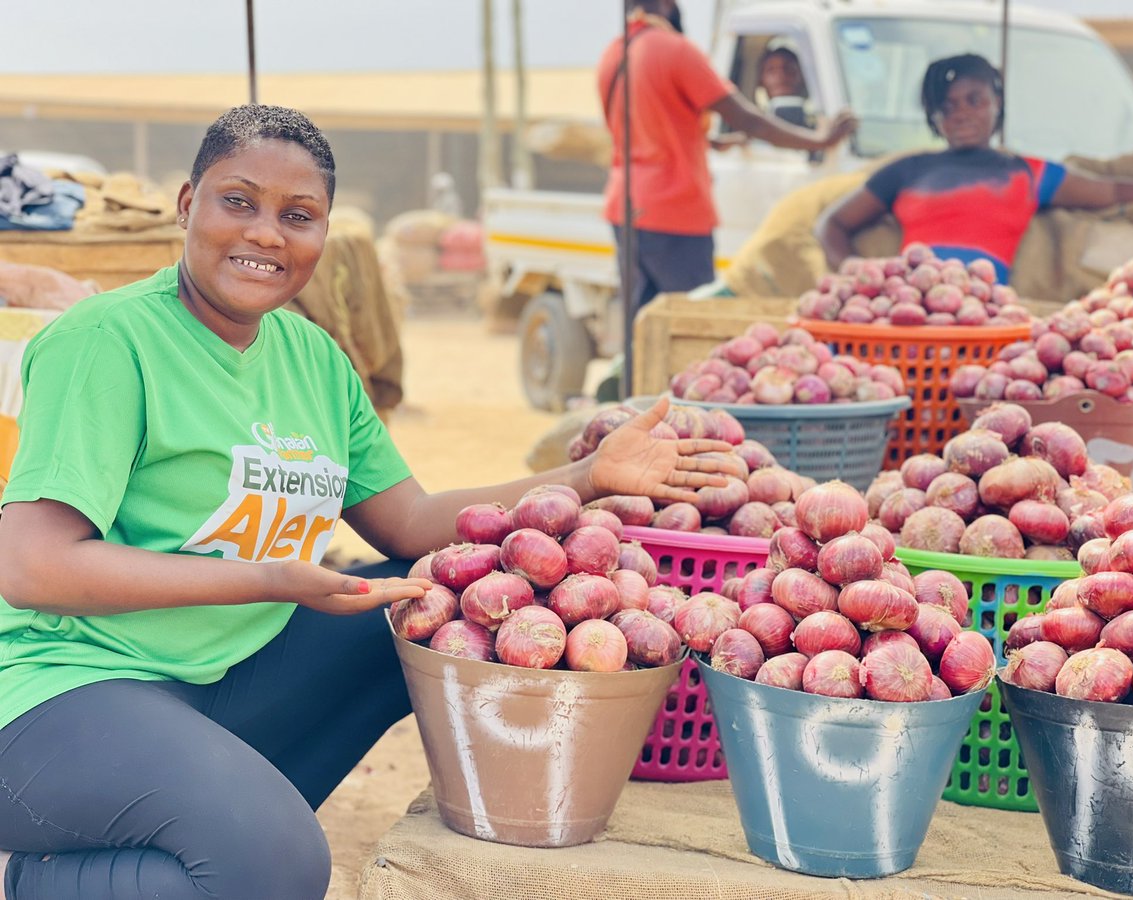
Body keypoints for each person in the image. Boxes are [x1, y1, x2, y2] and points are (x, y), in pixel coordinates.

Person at [0, 104, 739, 900]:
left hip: (220, 682)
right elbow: (33, 567)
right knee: (281, 863)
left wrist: (589, 476)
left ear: (324, 234)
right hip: (59, 690)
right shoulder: (108, 341)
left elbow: (413, 525)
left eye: (298, 216)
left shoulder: (312, 358)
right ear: (188, 206)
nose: (265, 235)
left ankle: (120, 856)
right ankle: (119, 866)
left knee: (427, 599)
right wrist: (273, 578)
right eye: (237, 202)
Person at [815, 53, 1133, 284]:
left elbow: (1111, 191)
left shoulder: (1027, 173)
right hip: (911, 303)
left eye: (974, 100)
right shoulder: (908, 170)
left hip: (988, 309)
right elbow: (832, 223)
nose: (962, 113)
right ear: (933, 117)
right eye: (947, 106)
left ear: (997, 102)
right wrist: (857, 271)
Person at [598, 0, 857, 316]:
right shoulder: (676, 51)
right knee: (692, 322)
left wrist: (711, 142)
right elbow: (750, 120)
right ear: (667, 4)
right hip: (673, 210)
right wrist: (821, 139)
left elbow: (647, 127)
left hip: (625, 208)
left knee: (642, 323)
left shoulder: (614, 54)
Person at [757, 38, 814, 129]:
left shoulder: (823, 127)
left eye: (789, 68)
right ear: (761, 80)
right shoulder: (750, 130)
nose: (781, 75)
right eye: (771, 70)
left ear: (803, 77)